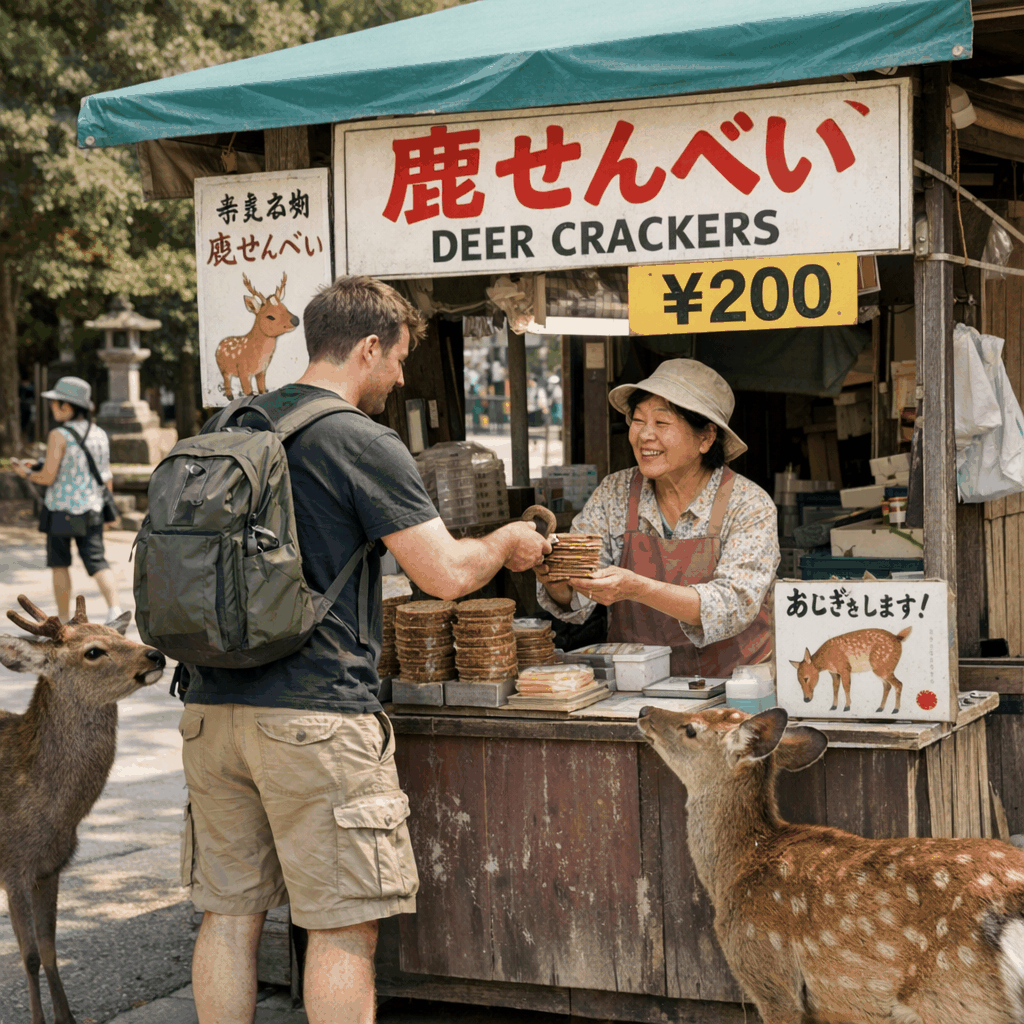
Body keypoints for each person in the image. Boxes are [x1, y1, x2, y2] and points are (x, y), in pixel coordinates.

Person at [179, 276, 551, 1024]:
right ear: (369, 346)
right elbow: (443, 575)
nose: (402, 377)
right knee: (343, 921)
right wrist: (507, 540)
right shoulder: (358, 439)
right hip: (313, 720)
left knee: (229, 912)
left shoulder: (234, 419)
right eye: (399, 359)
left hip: (210, 711)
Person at [535, 358, 778, 677]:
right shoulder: (615, 493)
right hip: (635, 682)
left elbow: (729, 605)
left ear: (705, 438)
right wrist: (556, 579)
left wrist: (637, 588)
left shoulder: (748, 504)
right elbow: (577, 597)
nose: (644, 435)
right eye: (637, 420)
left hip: (735, 689)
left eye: (662, 423)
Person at [12, 376, 123, 624]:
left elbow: (48, 476)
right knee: (97, 561)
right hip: (93, 507)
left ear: (69, 406)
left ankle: (62, 619)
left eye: (56, 403)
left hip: (61, 509)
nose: (52, 407)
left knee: (60, 564)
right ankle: (115, 610)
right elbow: (105, 475)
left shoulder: (58, 435)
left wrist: (27, 473)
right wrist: (109, 510)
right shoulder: (99, 433)